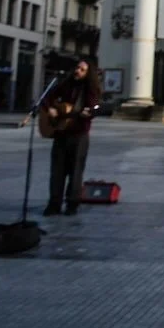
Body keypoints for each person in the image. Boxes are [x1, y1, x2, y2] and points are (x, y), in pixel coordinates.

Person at [42, 60, 101, 216]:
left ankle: (72, 204)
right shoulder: (65, 85)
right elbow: (47, 98)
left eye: (82, 69)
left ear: (88, 73)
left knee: (75, 171)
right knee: (57, 172)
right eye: (77, 68)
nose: (78, 71)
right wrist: (51, 109)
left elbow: (94, 109)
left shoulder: (91, 91)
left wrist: (86, 113)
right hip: (60, 133)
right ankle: (54, 204)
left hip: (79, 135)